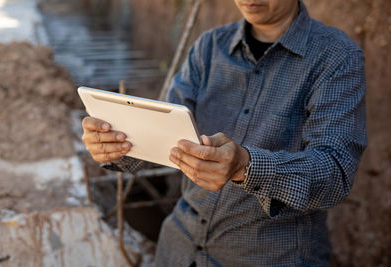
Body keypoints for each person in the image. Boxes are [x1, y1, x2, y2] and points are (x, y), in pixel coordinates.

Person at [81, 0, 367, 265]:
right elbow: (163, 129)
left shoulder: (337, 57)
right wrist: (116, 144)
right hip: (179, 249)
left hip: (272, 256)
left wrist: (246, 166)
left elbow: (335, 172)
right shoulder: (208, 47)